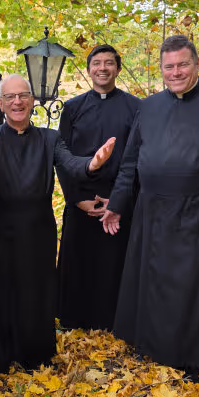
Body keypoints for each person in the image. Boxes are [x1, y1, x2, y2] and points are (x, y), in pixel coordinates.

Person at [101, 35, 199, 377]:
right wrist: (117, 203)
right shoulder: (148, 107)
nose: (175, 72)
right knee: (154, 279)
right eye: (168, 66)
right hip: (151, 210)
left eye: (182, 64)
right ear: (161, 68)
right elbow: (130, 163)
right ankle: (154, 346)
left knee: (191, 284)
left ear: (197, 63)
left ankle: (190, 356)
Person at [0, 74, 116, 372]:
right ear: (1, 104)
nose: (17, 102)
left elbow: (70, 164)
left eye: (23, 96)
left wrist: (92, 163)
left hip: (38, 228)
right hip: (0, 226)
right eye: (10, 97)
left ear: (32, 100)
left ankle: (33, 353)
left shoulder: (49, 138)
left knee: (36, 289)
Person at [56, 45, 141, 331]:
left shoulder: (136, 108)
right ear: (89, 69)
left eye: (108, 63)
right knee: (78, 261)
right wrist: (77, 198)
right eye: (96, 63)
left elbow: (138, 158)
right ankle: (74, 319)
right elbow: (62, 157)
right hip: (80, 197)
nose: (102, 68)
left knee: (113, 263)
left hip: (119, 198)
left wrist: (117, 201)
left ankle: (112, 320)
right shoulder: (73, 108)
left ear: (118, 68)